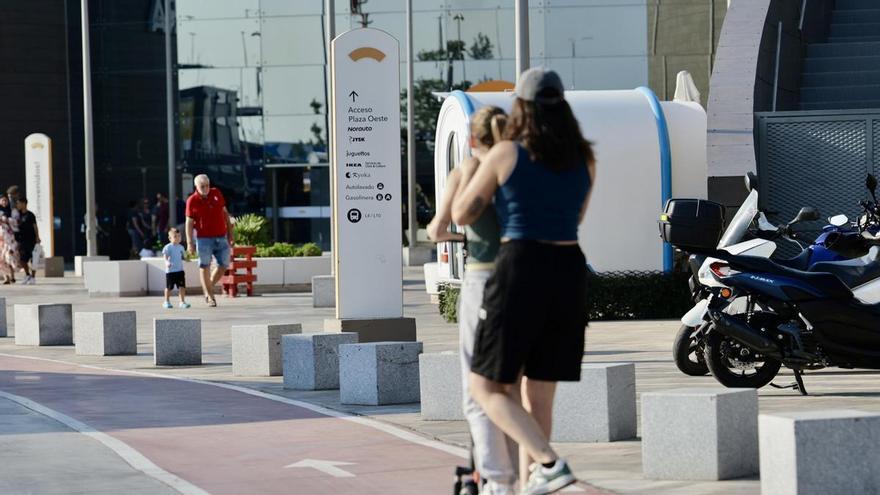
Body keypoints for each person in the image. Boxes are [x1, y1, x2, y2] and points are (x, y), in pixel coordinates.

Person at [451, 68, 595, 494]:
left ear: (522, 107)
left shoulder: (506, 154)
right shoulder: (585, 157)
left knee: (484, 386)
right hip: (569, 268)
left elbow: (462, 213)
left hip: (521, 265)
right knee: (540, 395)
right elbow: (578, 215)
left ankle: (549, 464)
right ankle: (536, 480)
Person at [427, 106, 518, 494]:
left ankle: (496, 480)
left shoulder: (467, 170)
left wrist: (462, 238)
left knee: (476, 388)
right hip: (520, 276)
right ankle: (517, 475)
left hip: (482, 278)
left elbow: (436, 230)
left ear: (470, 139)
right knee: (510, 389)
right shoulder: (516, 169)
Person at [185, 174, 233, 307]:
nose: (206, 188)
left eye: (207, 185)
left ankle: (208, 286)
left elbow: (225, 214)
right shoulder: (192, 200)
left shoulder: (216, 192)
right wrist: (190, 243)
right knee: (204, 265)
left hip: (221, 237)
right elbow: (189, 223)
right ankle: (210, 296)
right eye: (202, 186)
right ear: (196, 186)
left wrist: (230, 233)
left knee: (224, 264)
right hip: (203, 239)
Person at [162, 227, 191, 309]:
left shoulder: (181, 247)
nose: (178, 238)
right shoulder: (168, 247)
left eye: (179, 236)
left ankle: (182, 302)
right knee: (169, 287)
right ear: (170, 238)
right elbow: (165, 256)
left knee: (182, 287)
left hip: (180, 271)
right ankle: (166, 302)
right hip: (170, 272)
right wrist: (167, 262)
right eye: (175, 236)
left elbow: (184, 256)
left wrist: (187, 258)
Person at [15, 197, 39, 285]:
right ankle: (27, 275)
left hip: (31, 240)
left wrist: (37, 237)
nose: (17, 205)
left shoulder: (30, 215)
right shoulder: (17, 215)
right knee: (22, 260)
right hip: (21, 240)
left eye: (18, 203)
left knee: (34, 259)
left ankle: (33, 278)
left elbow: (35, 226)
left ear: (24, 204)